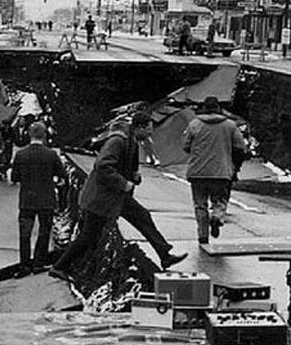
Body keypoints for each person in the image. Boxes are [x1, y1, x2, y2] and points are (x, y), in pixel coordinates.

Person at [49, 112, 188, 282]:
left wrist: (134, 175)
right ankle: (59, 267)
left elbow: (127, 166)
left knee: (142, 216)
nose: (151, 134)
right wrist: (123, 183)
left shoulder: (133, 142)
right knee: (88, 236)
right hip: (100, 199)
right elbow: (103, 166)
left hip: (116, 197)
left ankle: (164, 254)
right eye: (149, 130)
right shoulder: (117, 141)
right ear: (140, 128)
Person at [182, 97, 247, 244]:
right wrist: (234, 166)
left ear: (204, 108)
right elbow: (240, 148)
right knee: (220, 200)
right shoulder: (230, 126)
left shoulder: (194, 124)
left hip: (197, 172)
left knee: (200, 204)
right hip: (221, 171)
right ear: (218, 108)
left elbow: (186, 146)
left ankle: (203, 235)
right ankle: (217, 216)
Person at [11, 122, 66, 276]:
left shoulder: (21, 154)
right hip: (46, 200)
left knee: (25, 233)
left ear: (29, 135)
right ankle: (38, 263)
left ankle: (24, 266)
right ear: (44, 136)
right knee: (44, 231)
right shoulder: (51, 154)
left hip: (27, 200)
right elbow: (62, 174)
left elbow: (14, 177)